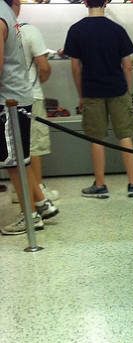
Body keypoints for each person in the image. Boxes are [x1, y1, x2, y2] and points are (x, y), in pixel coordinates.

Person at [63, 0, 133, 198]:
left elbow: (75, 68)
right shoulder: (117, 29)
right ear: (106, 2)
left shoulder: (76, 30)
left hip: (91, 90)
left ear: (84, 2)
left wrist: (81, 94)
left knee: (96, 138)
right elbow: (128, 66)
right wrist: (127, 91)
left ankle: (100, 185)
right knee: (125, 135)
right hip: (118, 89)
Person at [0, 0, 60, 236]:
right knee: (21, 159)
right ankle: (41, 203)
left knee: (15, 163)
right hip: (18, 96)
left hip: (8, 100)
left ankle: (30, 216)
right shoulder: (7, 12)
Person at [15, 0, 59, 204]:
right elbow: (44, 66)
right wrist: (38, 82)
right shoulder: (29, 30)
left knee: (15, 147)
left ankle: (21, 191)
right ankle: (38, 190)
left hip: (7, 99)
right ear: (17, 5)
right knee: (33, 146)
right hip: (31, 95)